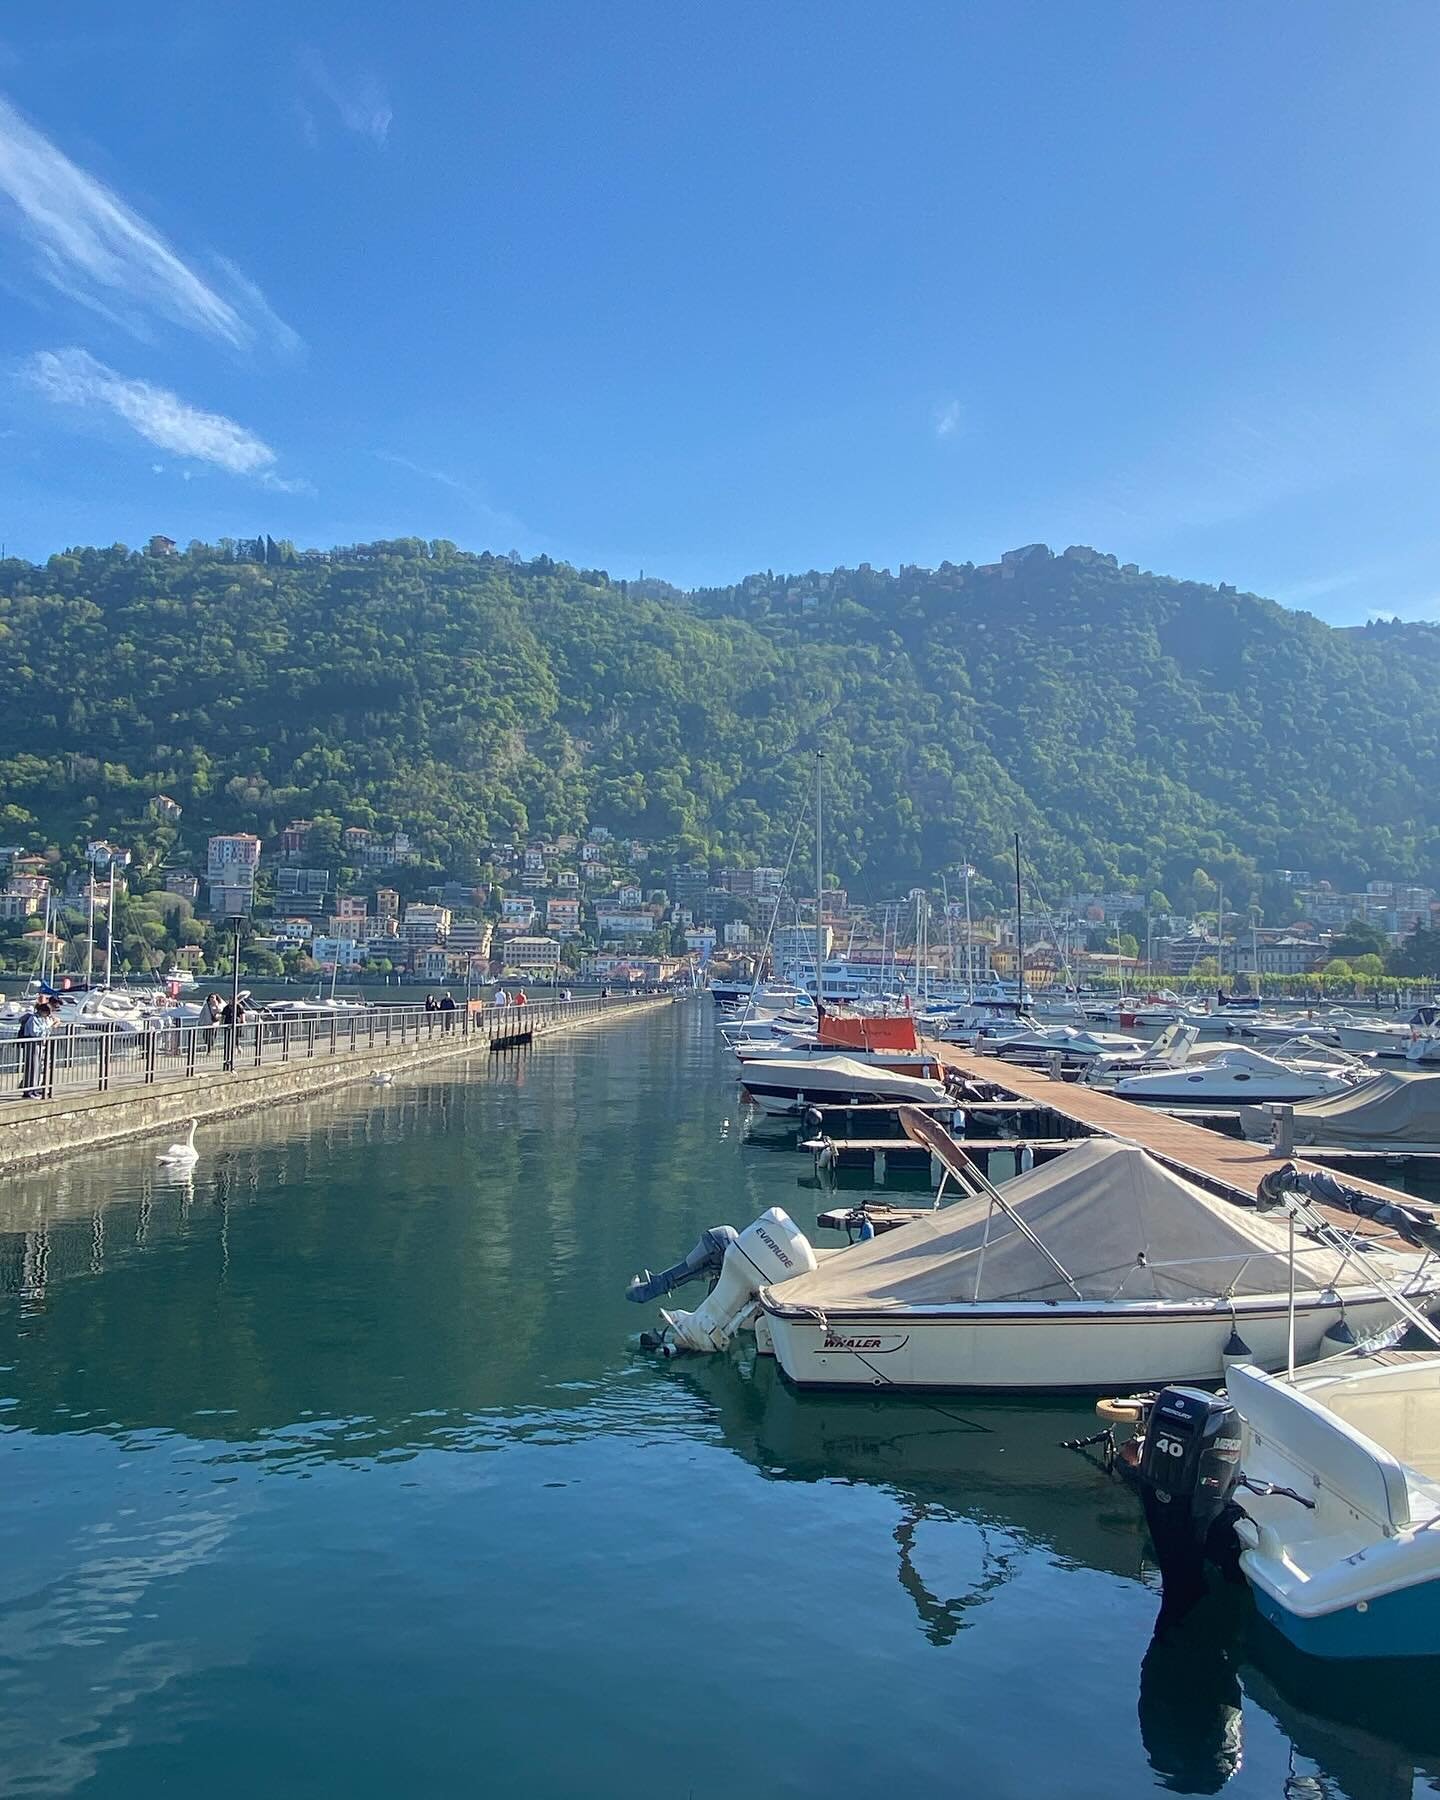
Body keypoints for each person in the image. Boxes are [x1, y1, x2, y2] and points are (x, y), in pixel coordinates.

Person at [17, 998, 50, 1099]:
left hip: (39, 1044)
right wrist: (47, 1027)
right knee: (32, 1067)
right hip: (32, 1044)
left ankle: (34, 1089)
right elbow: (35, 1033)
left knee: (37, 1068)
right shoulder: (33, 1019)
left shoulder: (41, 1019)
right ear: (42, 1011)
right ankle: (29, 1091)